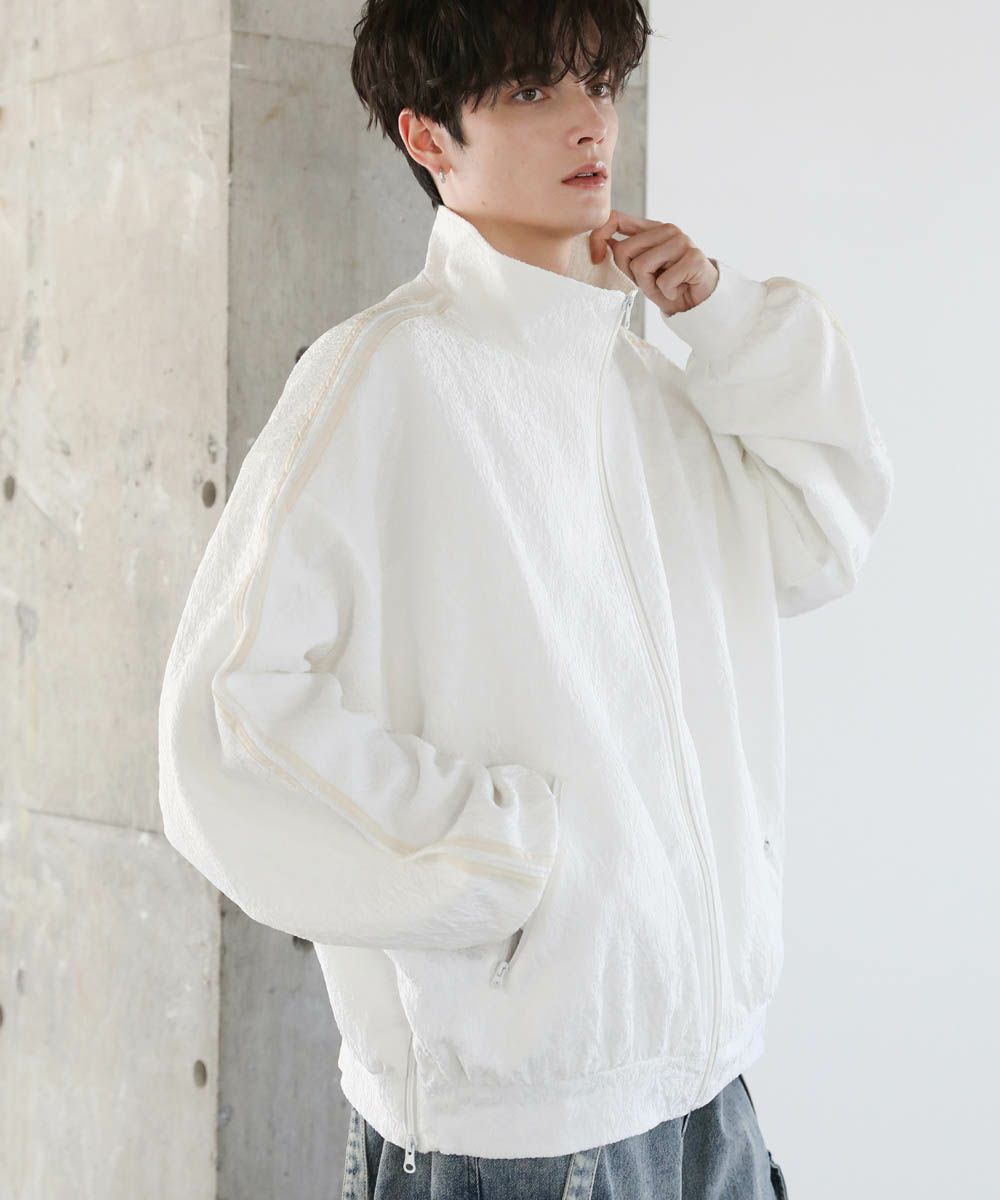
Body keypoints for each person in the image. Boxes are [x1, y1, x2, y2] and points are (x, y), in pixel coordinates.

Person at [157, 1, 892, 1195]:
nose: (589, 124)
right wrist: (498, 858)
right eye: (531, 92)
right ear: (428, 136)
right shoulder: (385, 375)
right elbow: (225, 724)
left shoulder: (650, 382)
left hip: (712, 1096)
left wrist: (725, 318)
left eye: (598, 84)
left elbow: (821, 539)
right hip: (523, 1136)